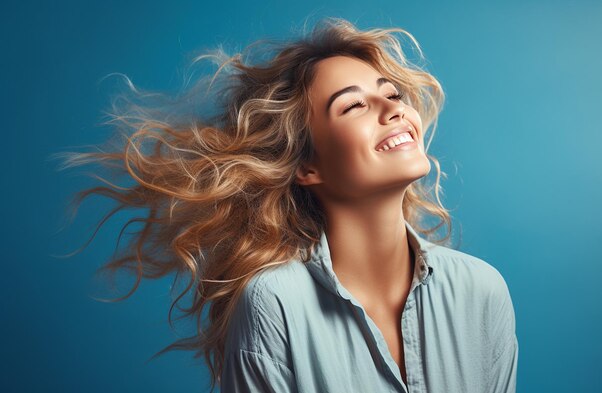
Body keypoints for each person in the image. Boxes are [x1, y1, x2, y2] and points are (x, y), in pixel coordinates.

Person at [56, 17, 517, 393]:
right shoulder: (272, 305)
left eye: (391, 93)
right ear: (306, 166)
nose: (393, 108)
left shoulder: (482, 290)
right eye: (353, 106)